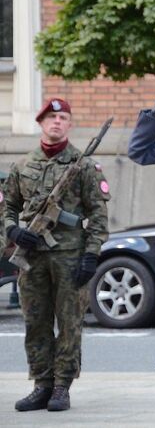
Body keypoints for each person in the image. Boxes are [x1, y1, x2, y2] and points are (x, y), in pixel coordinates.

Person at [3, 98, 110, 412]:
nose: (57, 122)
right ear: (41, 123)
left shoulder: (84, 166)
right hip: (32, 257)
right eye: (51, 117)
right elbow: (7, 206)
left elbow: (98, 214)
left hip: (70, 257)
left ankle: (62, 387)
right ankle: (42, 384)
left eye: (63, 117)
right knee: (35, 321)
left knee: (69, 323)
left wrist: (91, 255)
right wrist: (12, 231)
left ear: (70, 124)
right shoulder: (23, 165)